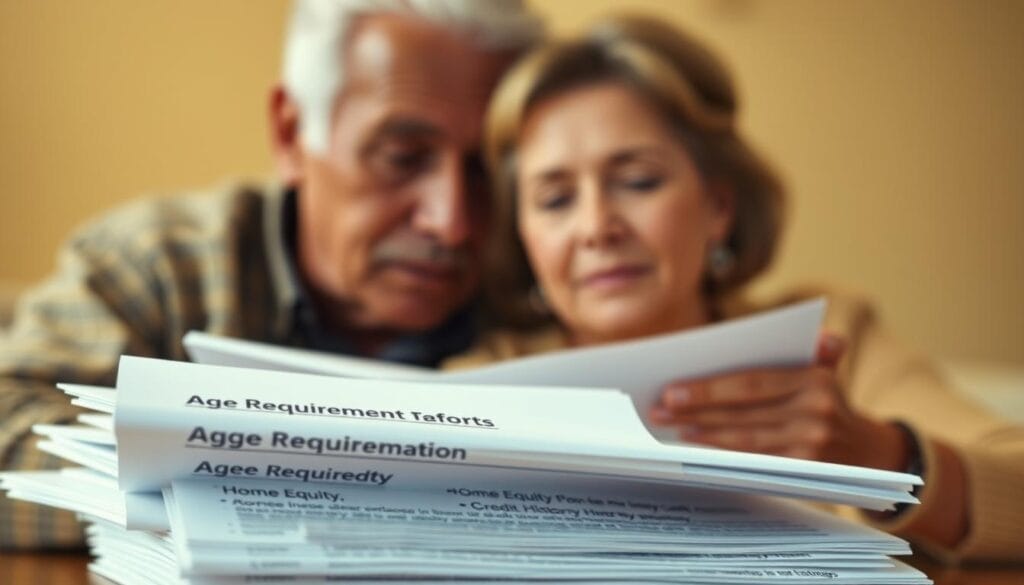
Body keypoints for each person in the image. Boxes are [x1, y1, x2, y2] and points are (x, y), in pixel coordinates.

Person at [446, 15, 1024, 562]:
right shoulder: (476, 389)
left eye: (638, 181)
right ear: (522, 236)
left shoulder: (832, 342)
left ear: (718, 206)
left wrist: (877, 454)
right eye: (556, 200)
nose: (597, 227)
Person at [0, 0, 543, 549]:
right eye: (402, 156)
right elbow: (8, 434)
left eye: (486, 168)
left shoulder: (540, 291)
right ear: (290, 132)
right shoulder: (158, 265)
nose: (451, 222)